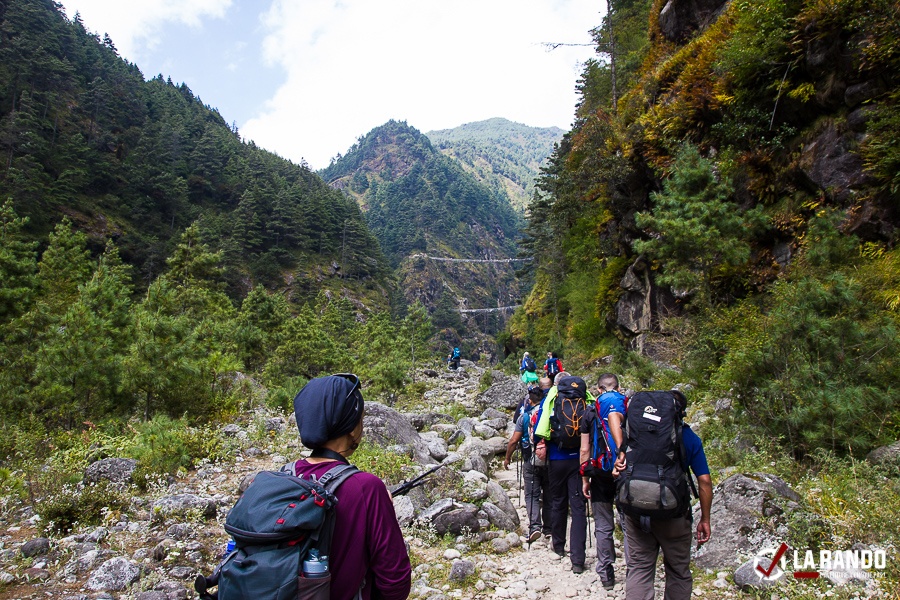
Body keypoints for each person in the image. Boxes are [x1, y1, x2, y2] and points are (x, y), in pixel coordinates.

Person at [289, 374, 412, 600]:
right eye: (360, 419)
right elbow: (396, 584)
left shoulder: (281, 476)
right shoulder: (367, 488)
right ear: (352, 428)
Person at [614, 389, 712, 600]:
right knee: (678, 570)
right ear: (680, 412)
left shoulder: (636, 433)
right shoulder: (688, 437)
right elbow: (704, 480)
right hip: (673, 514)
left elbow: (614, 417)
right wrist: (705, 518)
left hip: (635, 509)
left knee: (639, 567)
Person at [533, 371, 588, 573]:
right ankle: (578, 559)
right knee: (579, 506)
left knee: (558, 501)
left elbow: (540, 427)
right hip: (580, 459)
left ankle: (558, 546)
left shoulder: (551, 397)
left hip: (557, 458)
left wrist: (540, 444)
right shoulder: (584, 396)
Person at [580, 373, 627, 590]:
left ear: (598, 389)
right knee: (628, 522)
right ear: (618, 387)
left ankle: (606, 572)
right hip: (625, 469)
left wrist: (585, 478)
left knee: (603, 524)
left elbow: (584, 449)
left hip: (600, 472)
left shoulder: (590, 411)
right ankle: (635, 569)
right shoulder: (627, 406)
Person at [504, 385, 552, 542]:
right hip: (549, 460)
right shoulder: (550, 415)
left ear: (530, 401)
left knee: (531, 494)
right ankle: (549, 528)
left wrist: (507, 458)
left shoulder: (524, 417)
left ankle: (535, 527)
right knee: (549, 494)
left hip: (530, 460)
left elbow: (513, 441)